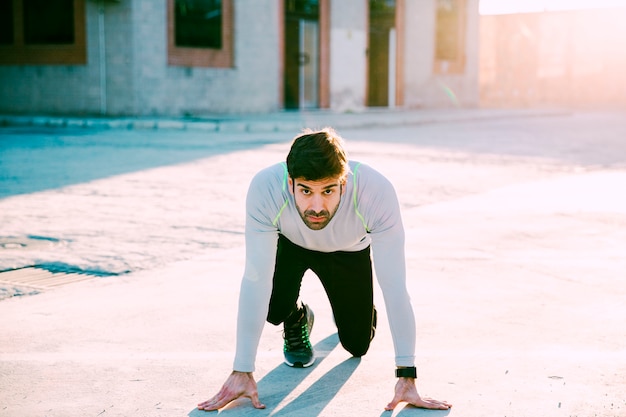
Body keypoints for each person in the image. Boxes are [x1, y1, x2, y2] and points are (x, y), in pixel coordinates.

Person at [197, 128, 451, 412]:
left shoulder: (375, 191)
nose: (317, 206)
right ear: (290, 183)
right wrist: (242, 369)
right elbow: (255, 279)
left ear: (344, 183)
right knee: (271, 307)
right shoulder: (266, 187)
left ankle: (358, 309)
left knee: (357, 345)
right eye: (306, 190)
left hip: (348, 251)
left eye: (328, 190)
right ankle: (297, 316)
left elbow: (395, 287)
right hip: (291, 245)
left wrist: (407, 375)